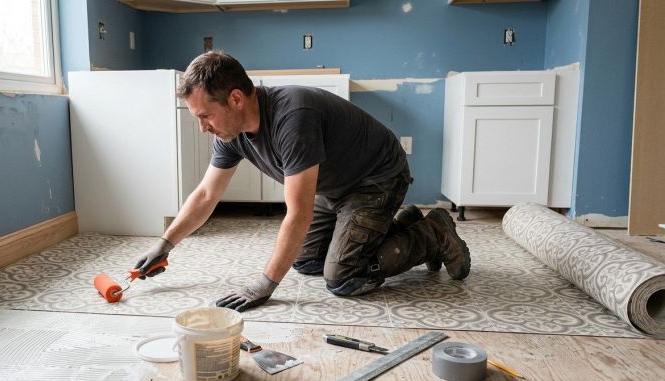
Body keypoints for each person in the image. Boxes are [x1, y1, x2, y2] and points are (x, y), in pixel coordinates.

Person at [134, 51, 470, 312]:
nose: (202, 126)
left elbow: (299, 213)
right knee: (306, 261)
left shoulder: (292, 117)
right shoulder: (229, 133)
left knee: (342, 277)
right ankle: (404, 224)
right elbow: (207, 193)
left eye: (205, 115)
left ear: (235, 98)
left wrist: (264, 285)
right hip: (332, 184)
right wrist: (164, 245)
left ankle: (433, 232)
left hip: (375, 179)